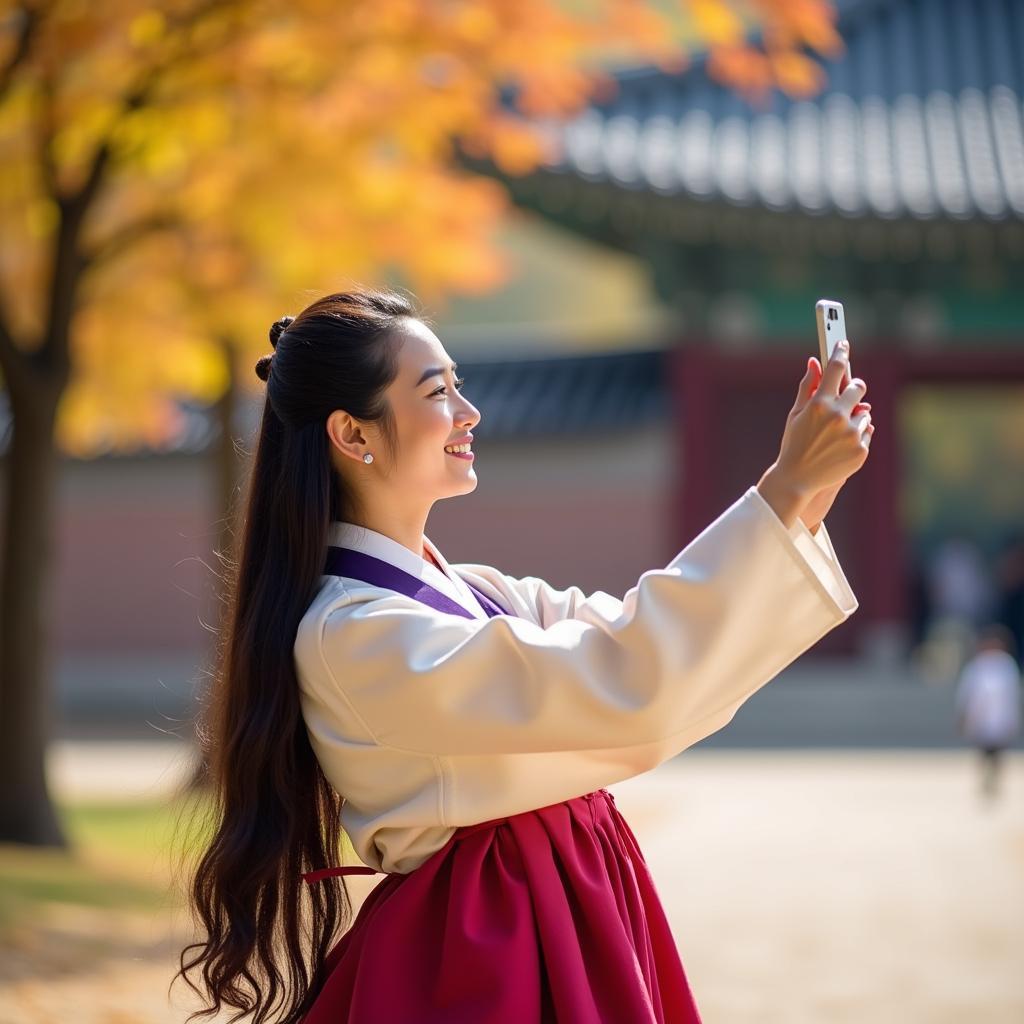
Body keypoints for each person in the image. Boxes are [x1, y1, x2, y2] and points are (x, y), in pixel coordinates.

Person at [174, 288, 873, 1024]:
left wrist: (804, 495)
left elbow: (634, 632)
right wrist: (782, 489)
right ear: (352, 434)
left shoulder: (471, 593)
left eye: (460, 387)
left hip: (560, 916)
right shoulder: (353, 635)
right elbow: (625, 676)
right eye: (439, 392)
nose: (469, 413)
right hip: (484, 951)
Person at [955, 623, 1022, 801]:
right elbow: (967, 693)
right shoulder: (976, 666)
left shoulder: (1007, 665)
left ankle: (995, 781)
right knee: (983, 751)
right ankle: (984, 780)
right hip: (980, 717)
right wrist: (964, 716)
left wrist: (1012, 718)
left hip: (1000, 716)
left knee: (998, 752)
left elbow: (1011, 695)